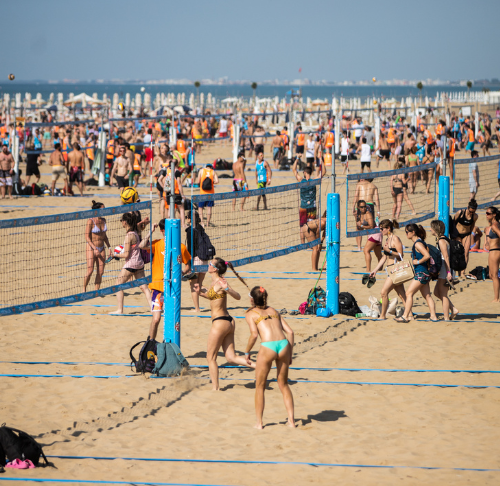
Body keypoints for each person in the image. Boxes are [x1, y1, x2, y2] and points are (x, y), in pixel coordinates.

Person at [200, 258, 256, 390]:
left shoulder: (221, 281)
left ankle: (215, 388)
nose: (208, 265)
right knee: (231, 357)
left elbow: (238, 296)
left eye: (210, 264)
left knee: (210, 357)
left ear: (214, 269)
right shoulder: (214, 282)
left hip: (220, 323)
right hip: (228, 322)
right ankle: (259, 366)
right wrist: (200, 292)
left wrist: (227, 289)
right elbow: (211, 295)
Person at [244, 286, 295, 429]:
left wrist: (247, 352)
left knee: (260, 386)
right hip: (283, 344)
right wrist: (289, 353)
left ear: (252, 300)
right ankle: (291, 421)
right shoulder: (273, 310)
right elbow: (290, 332)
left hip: (268, 346)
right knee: (284, 385)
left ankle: (259, 423)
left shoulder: (250, 313)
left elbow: (254, 335)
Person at [139, 219, 192, 339]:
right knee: (156, 319)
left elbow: (188, 265)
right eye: (163, 231)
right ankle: (151, 342)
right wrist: (150, 232)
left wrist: (181, 274)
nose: (164, 233)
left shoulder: (181, 247)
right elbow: (141, 246)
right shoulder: (157, 244)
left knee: (172, 320)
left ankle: (169, 343)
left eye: (166, 230)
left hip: (173, 288)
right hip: (158, 288)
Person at [109, 212, 152, 314]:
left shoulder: (129, 236)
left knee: (118, 285)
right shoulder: (136, 232)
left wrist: (114, 255)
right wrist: (143, 222)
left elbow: (126, 254)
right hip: (139, 263)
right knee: (144, 287)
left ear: (125, 222)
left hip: (131, 264)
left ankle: (120, 310)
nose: (121, 223)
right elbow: (137, 226)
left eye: (122, 221)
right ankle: (152, 307)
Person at [395, 224, 438, 322]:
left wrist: (417, 262)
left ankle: (405, 316)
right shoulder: (420, 242)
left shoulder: (418, 244)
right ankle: (433, 316)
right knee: (427, 296)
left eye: (407, 232)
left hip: (421, 273)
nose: (406, 234)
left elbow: (427, 255)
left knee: (408, 293)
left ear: (413, 232)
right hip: (425, 273)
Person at [369, 219, 407, 319]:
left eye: (382, 229)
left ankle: (382, 316)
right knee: (402, 295)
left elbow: (400, 256)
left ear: (388, 228)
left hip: (395, 270)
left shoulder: (395, 239)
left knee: (383, 292)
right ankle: (410, 314)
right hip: (390, 270)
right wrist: (375, 270)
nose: (380, 231)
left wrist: (389, 251)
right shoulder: (387, 240)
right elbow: (384, 257)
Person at [430, 220, 459, 321]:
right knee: (436, 292)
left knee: (443, 294)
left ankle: (446, 317)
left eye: (431, 228)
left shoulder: (442, 241)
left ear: (435, 229)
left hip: (445, 269)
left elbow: (446, 257)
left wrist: (448, 272)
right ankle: (453, 309)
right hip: (444, 269)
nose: (430, 229)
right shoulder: (443, 239)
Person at [83, 201, 112, 292]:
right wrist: (94, 249)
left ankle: (96, 291)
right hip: (91, 248)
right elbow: (87, 237)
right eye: (103, 209)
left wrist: (110, 248)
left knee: (100, 271)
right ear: (97, 210)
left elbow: (104, 236)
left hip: (101, 248)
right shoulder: (90, 221)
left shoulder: (103, 220)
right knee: (90, 270)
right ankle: (84, 289)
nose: (105, 210)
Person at [185, 211, 208, 312]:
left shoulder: (191, 230)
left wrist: (189, 264)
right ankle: (216, 298)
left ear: (189, 219)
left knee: (194, 286)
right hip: (205, 260)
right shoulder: (200, 227)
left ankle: (197, 308)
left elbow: (191, 249)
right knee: (200, 284)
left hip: (196, 259)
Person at [452, 198, 478, 272]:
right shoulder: (460, 213)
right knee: (457, 252)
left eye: (473, 212)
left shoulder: (475, 216)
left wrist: (471, 235)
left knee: (466, 253)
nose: (471, 213)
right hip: (457, 234)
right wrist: (453, 235)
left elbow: (472, 225)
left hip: (466, 234)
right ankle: (456, 271)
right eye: (470, 211)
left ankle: (463, 272)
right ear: (467, 208)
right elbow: (454, 222)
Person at [485, 207, 500, 302]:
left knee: (494, 276)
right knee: (491, 275)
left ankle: (496, 298)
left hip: (495, 251)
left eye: (488, 213)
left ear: (494, 215)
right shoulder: (496, 224)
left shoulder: (494, 226)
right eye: (486, 213)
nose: (486, 215)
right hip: (494, 250)